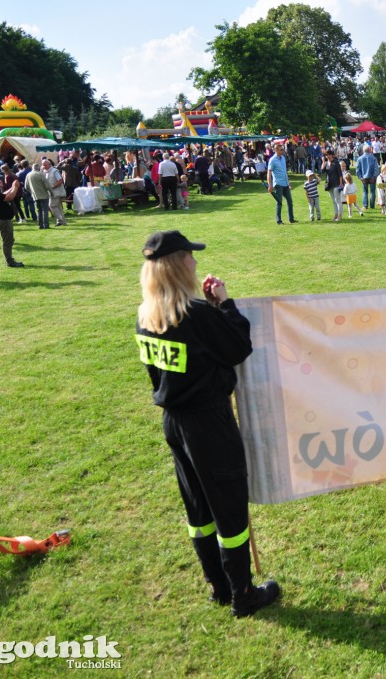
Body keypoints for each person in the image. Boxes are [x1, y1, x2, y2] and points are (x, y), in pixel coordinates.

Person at [135, 230, 279, 618]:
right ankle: (243, 593)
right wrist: (227, 304)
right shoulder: (194, 314)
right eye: (191, 256)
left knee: (198, 508)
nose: (196, 262)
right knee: (228, 507)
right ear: (178, 264)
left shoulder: (146, 315)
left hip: (175, 422)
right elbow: (237, 346)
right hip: (208, 422)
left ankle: (217, 584)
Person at [25, 163, 52, 230]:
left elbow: (26, 187)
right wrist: (51, 192)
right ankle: (46, 225)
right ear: (38, 168)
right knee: (45, 210)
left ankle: (40, 225)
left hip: (35, 195)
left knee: (39, 210)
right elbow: (47, 185)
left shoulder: (28, 175)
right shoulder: (40, 174)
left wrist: (32, 192)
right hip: (43, 195)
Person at [42, 158, 68, 226]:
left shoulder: (54, 171)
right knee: (58, 207)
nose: (44, 166)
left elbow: (60, 181)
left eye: (45, 165)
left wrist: (52, 187)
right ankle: (62, 222)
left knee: (52, 205)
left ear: (49, 164)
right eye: (43, 165)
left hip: (56, 192)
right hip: (51, 192)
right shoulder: (45, 171)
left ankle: (60, 220)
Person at [356, 144, 380, 209]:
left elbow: (358, 169)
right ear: (370, 150)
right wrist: (374, 177)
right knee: (372, 191)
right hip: (372, 177)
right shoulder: (373, 158)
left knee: (365, 192)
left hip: (364, 177)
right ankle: (372, 205)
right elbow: (376, 169)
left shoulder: (359, 159)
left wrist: (360, 177)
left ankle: (365, 205)